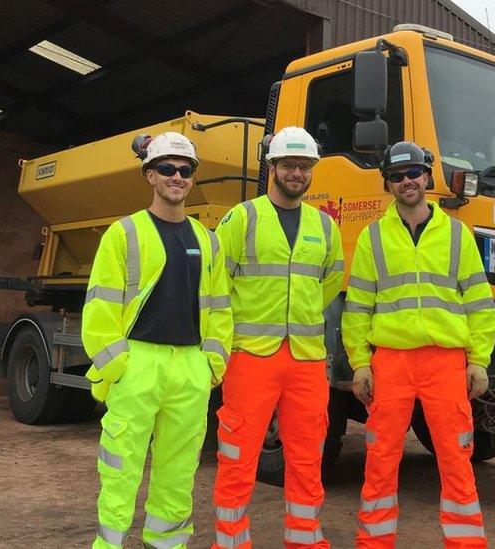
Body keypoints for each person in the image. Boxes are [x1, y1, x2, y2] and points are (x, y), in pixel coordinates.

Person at [342, 141, 495, 548]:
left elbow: (480, 302)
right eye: (396, 176)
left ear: (428, 176)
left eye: (413, 173)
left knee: (456, 460)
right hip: (390, 362)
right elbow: (357, 306)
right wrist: (360, 363)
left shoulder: (458, 235)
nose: (407, 181)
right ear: (388, 185)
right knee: (380, 460)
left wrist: (478, 360)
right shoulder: (371, 238)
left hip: (445, 362)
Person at [81, 132, 233, 548]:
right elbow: (98, 310)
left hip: (189, 367)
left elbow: (221, 309)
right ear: (150, 175)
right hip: (138, 365)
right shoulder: (123, 233)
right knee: (120, 469)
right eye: (166, 168)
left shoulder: (207, 240)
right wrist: (119, 368)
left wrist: (211, 365)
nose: (177, 176)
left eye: (185, 170)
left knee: (179, 472)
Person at [211, 126, 344, 548]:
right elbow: (217, 284)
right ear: (273, 167)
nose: (297, 173)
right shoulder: (243, 218)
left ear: (312, 172)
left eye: (304, 167)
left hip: (305, 360)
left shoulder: (324, 226)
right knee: (238, 456)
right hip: (251, 356)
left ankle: (304, 540)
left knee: (307, 457)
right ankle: (231, 542)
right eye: (289, 165)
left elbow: (329, 283)